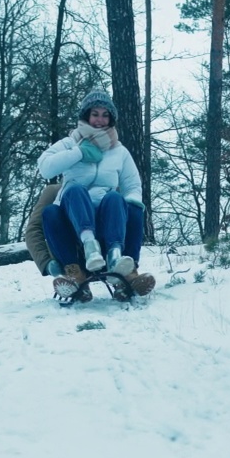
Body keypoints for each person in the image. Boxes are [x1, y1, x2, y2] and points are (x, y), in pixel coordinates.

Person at [32, 88, 155, 302]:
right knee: (60, 204)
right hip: (74, 220)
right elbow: (45, 167)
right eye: (95, 114)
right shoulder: (70, 144)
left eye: (105, 114)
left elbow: (133, 185)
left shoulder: (120, 151)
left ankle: (125, 270)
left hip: (108, 219)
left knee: (125, 202)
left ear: (111, 118)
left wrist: (129, 206)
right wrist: (79, 152)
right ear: (86, 115)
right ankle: (76, 273)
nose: (100, 120)